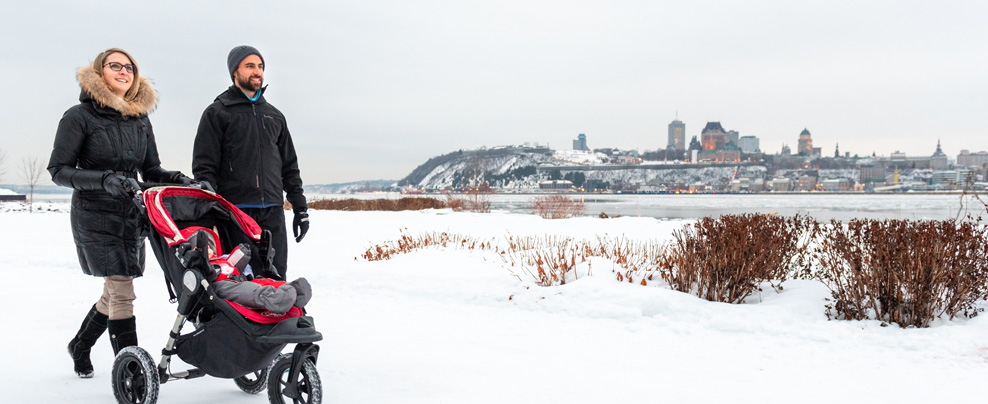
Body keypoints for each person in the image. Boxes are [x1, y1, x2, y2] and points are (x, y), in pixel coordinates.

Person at [49, 48, 195, 378]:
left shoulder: (140, 120)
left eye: (129, 67)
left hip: (133, 213)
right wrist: (105, 180)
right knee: (123, 291)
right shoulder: (78, 117)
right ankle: (132, 372)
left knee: (114, 291)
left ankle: (80, 344)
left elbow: (152, 168)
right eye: (115, 65)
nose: (123, 71)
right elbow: (58, 170)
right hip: (94, 214)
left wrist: (181, 180)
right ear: (100, 73)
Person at [193, 45, 309, 280]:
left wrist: (300, 208)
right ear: (235, 72)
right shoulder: (217, 113)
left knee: (276, 277)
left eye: (260, 66)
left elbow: (289, 166)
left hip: (273, 214)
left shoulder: (274, 115)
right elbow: (205, 168)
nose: (257, 72)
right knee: (239, 281)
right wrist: (210, 213)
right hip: (235, 214)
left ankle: (277, 318)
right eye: (250, 66)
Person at [183, 227, 311, 314]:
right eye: (206, 248)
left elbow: (236, 264)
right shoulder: (199, 265)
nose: (209, 250)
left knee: (262, 281)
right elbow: (202, 273)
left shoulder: (223, 258)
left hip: (239, 279)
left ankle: (292, 290)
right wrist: (201, 259)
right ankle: (274, 298)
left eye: (211, 247)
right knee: (248, 291)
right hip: (217, 286)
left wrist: (242, 254)